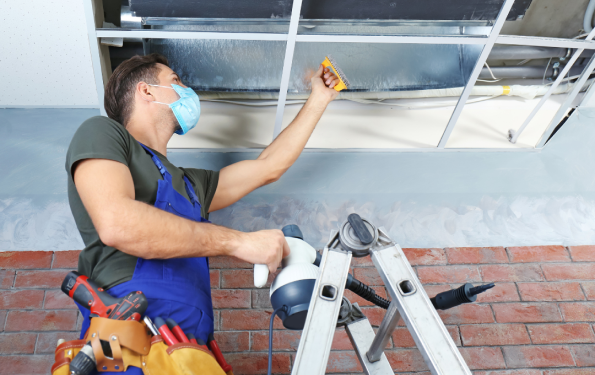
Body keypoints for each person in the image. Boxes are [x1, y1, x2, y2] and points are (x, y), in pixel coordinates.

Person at [65, 53, 340, 373]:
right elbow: (118, 223)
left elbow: (269, 167)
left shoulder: (191, 185)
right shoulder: (102, 133)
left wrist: (320, 98)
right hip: (126, 342)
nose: (186, 89)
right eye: (175, 81)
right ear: (147, 91)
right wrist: (237, 242)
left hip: (191, 349)